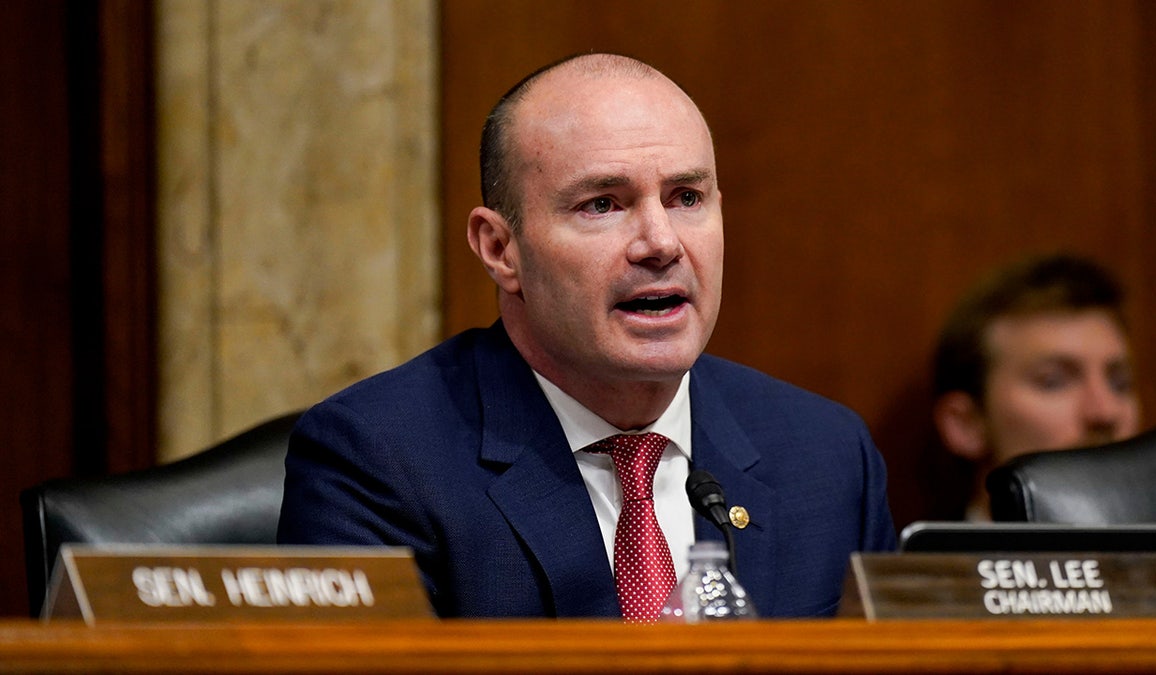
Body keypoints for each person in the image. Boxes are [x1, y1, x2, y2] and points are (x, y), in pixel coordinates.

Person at [277, 53, 895, 620]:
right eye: (602, 204)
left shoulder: (826, 456)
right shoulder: (379, 459)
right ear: (500, 248)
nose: (661, 243)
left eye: (686, 197)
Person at [931, 253, 1141, 520]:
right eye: (1054, 382)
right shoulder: (909, 562)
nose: (1105, 412)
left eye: (1120, 384)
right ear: (965, 424)